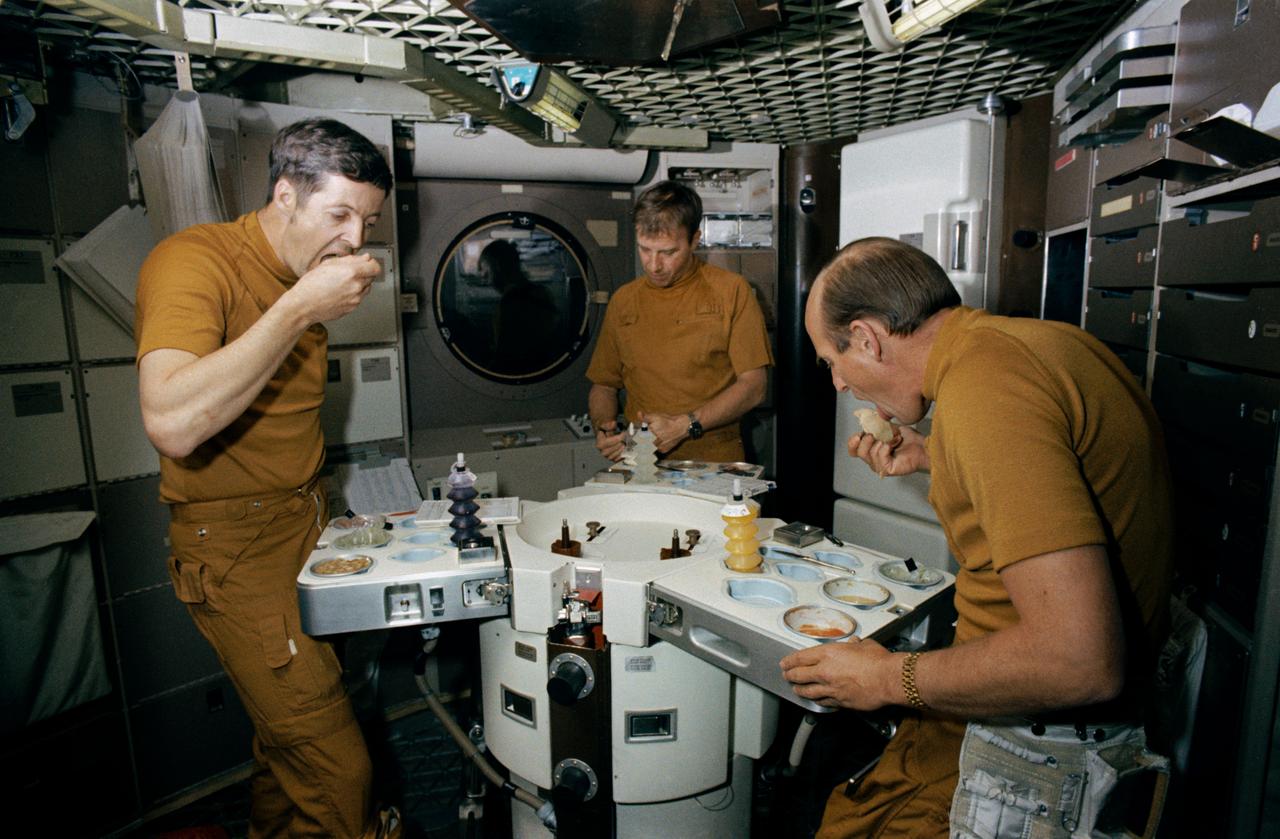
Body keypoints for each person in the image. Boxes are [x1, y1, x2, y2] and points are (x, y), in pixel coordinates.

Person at [781, 237, 1173, 838]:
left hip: (1037, 745)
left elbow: (1079, 660)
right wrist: (935, 455)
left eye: (832, 361)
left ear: (866, 338)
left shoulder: (982, 394)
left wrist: (885, 678)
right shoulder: (1032, 345)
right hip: (1037, 717)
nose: (838, 383)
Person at [135, 118, 399, 839]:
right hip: (238, 550)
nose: (355, 239)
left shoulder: (299, 278)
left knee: (287, 748)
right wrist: (300, 308)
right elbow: (172, 421)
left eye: (368, 222)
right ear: (286, 195)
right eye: (338, 215)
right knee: (339, 771)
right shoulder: (194, 262)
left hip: (305, 525)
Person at [586, 180, 773, 462]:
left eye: (668, 252)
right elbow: (603, 386)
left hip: (713, 459)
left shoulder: (731, 291)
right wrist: (604, 428)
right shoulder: (624, 300)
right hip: (641, 457)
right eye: (645, 249)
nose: (653, 265)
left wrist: (686, 425)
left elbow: (754, 387)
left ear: (695, 240)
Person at [480, 238, 560, 373]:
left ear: (496, 266)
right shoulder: (541, 294)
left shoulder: (510, 304)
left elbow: (505, 355)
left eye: (484, 269)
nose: (483, 278)